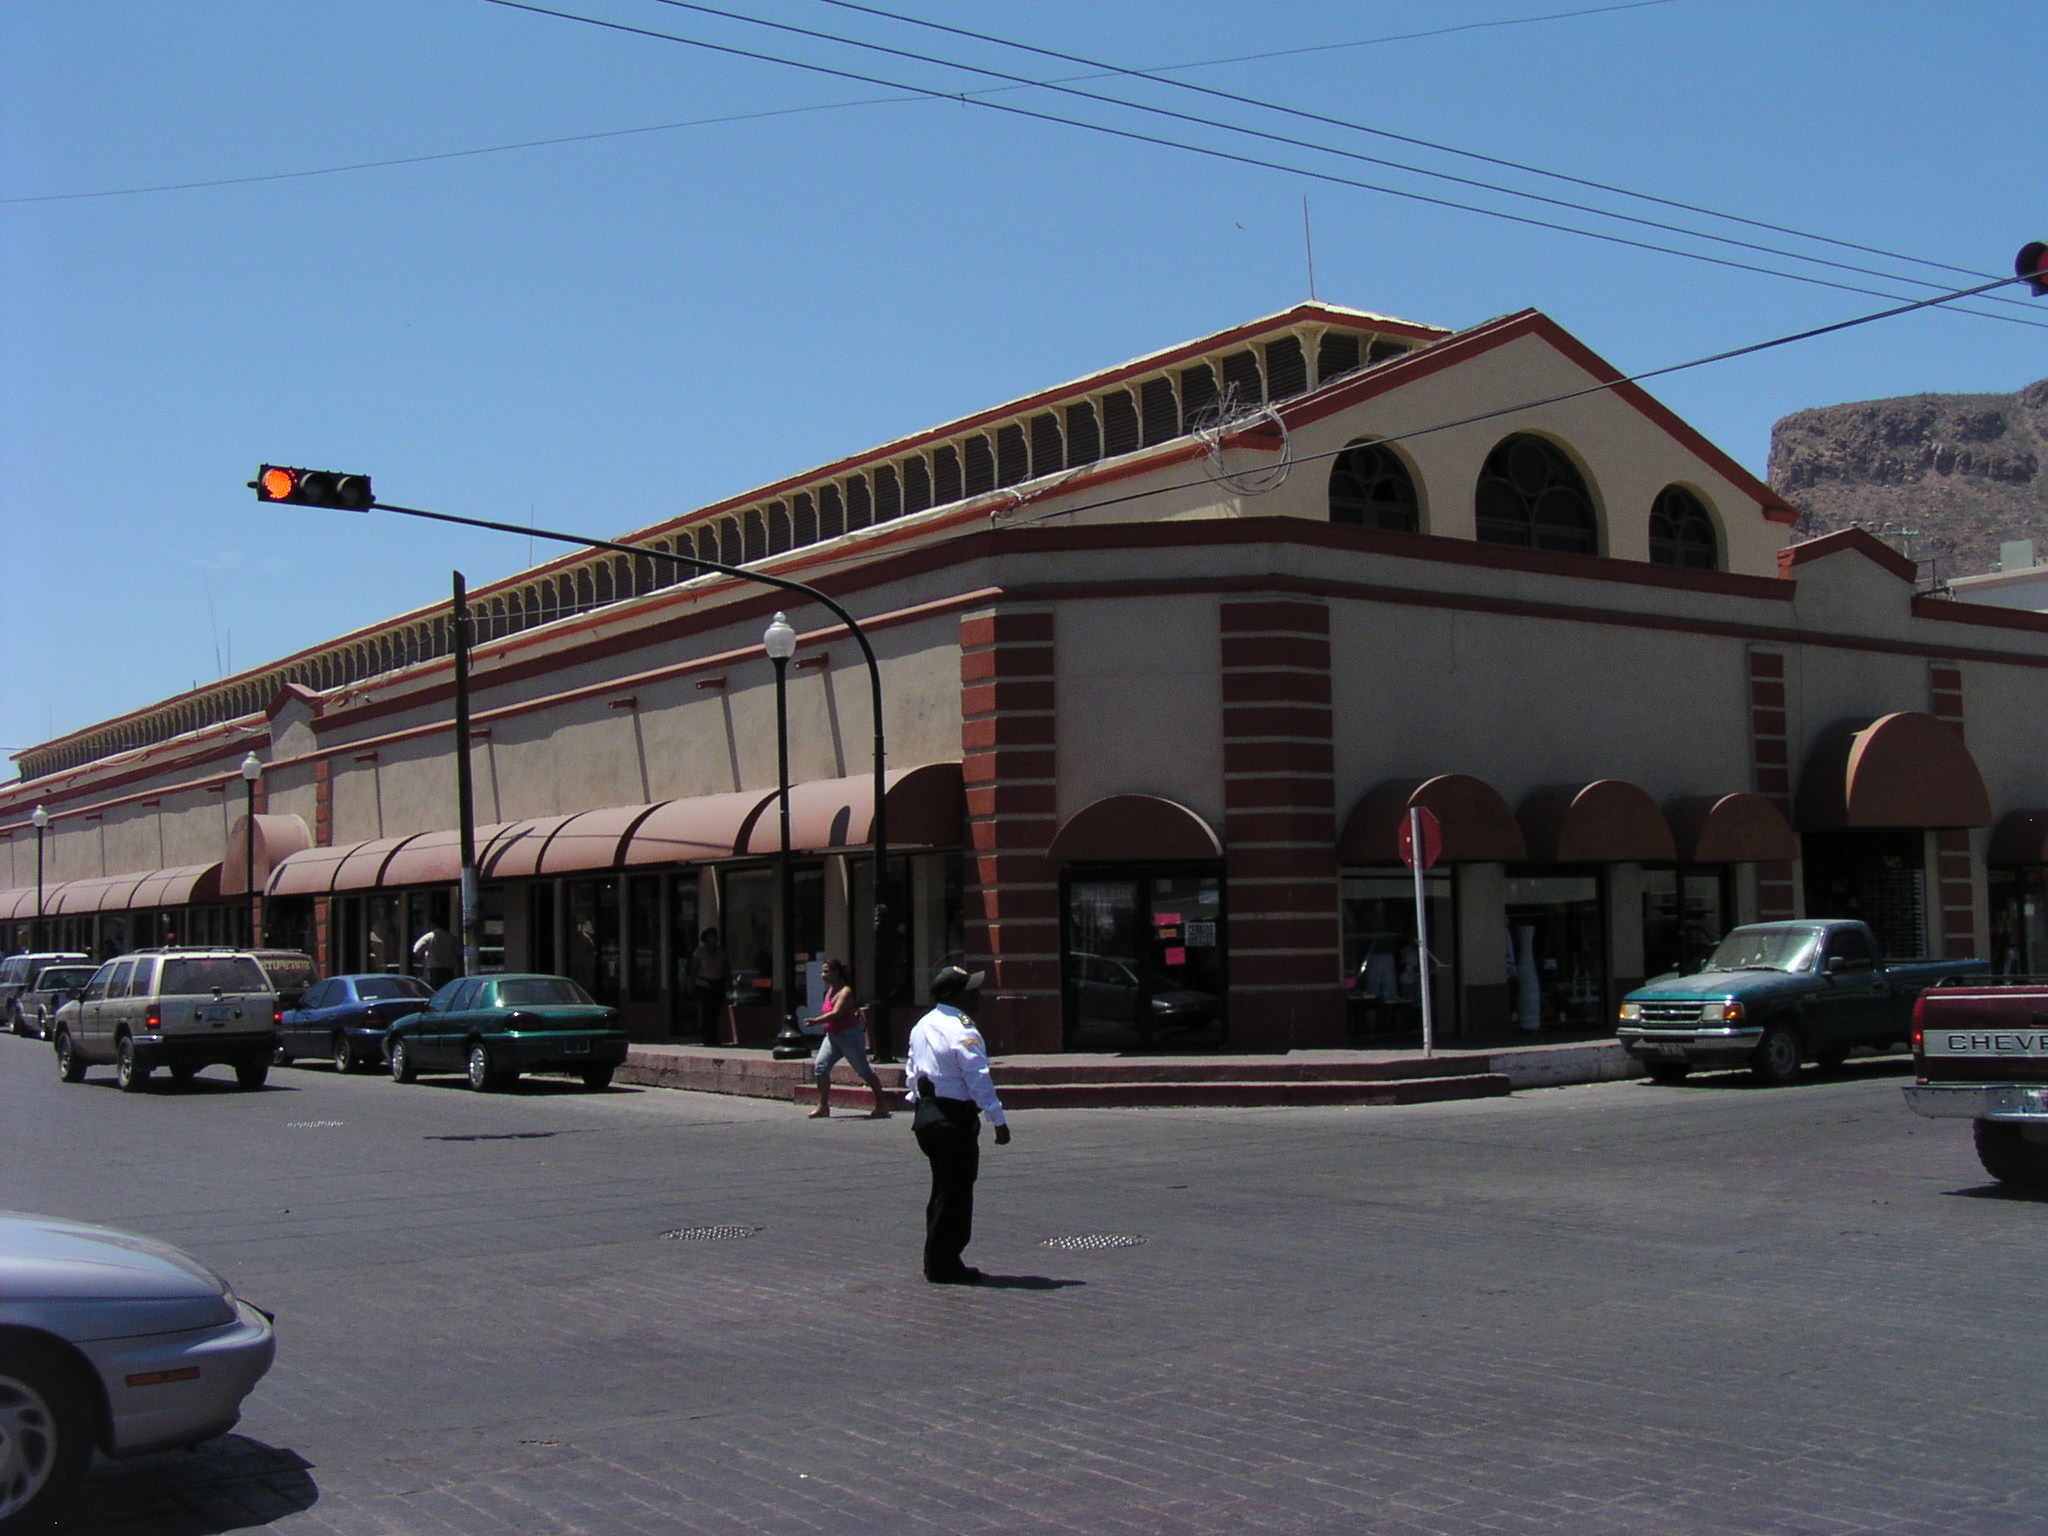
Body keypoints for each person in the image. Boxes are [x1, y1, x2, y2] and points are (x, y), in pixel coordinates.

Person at [903, 964, 1009, 1285]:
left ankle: (937, 1258)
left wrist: (919, 1104)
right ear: (956, 996)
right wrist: (998, 1121)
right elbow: (977, 1079)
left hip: (927, 1114)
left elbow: (911, 1071)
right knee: (956, 1192)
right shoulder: (963, 1030)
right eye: (971, 989)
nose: (978, 994)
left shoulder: (923, 1025)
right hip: (952, 1119)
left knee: (943, 1189)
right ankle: (944, 1263)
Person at [807, 957, 890, 1119]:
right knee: (820, 1068)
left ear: (836, 973)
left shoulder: (846, 991)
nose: (822, 975)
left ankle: (882, 1103)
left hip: (849, 1036)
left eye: (826, 972)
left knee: (863, 1070)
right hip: (832, 1037)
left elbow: (837, 1013)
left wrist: (815, 1021)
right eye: (822, 972)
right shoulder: (829, 990)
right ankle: (823, 1106)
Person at [685, 927, 728, 1040]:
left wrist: (728, 982)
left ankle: (713, 1034)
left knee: (715, 1011)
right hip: (703, 984)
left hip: (717, 983)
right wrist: (691, 984)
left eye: (715, 936)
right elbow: (694, 970)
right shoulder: (699, 952)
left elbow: (726, 968)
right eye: (711, 936)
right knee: (706, 1010)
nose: (714, 939)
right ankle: (705, 1033)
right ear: (706, 938)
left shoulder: (721, 952)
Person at [412, 924, 457, 989]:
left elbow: (416, 950)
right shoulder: (450, 937)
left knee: (434, 990)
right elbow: (458, 952)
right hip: (449, 969)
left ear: (432, 926)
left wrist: (423, 957)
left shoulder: (429, 936)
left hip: (434, 969)